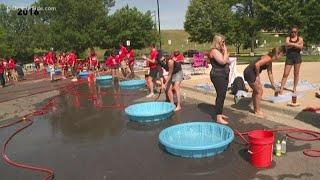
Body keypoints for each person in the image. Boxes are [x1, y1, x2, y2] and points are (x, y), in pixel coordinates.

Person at [244, 46, 286, 118]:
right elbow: (257, 64)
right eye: (282, 55)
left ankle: (256, 109)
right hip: (250, 73)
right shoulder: (268, 58)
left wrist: (273, 85)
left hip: (249, 72)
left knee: (256, 91)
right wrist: (257, 76)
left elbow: (270, 73)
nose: (282, 56)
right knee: (259, 91)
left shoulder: (269, 61)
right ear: (278, 53)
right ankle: (257, 111)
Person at [209, 34, 231, 125]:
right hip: (218, 75)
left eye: (224, 41)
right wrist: (225, 51)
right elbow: (222, 61)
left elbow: (227, 61)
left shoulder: (219, 51)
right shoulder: (214, 51)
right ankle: (218, 117)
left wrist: (225, 54)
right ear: (218, 41)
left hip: (223, 75)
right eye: (222, 41)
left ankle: (219, 113)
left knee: (222, 95)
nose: (224, 43)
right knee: (221, 95)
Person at [280, 25, 304, 94]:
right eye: (292, 32)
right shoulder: (288, 38)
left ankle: (294, 88)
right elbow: (287, 44)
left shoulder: (300, 38)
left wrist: (292, 44)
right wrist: (296, 44)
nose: (293, 33)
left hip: (297, 57)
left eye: (295, 32)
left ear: (297, 32)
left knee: (296, 74)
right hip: (289, 57)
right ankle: (281, 88)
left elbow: (301, 47)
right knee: (285, 73)